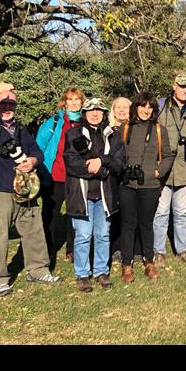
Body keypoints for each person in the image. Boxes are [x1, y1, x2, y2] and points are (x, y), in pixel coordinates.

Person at [0, 82, 60, 296]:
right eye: (3, 103)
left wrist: (33, 161)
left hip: (25, 188)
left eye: (12, 104)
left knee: (34, 230)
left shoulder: (20, 129)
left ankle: (38, 270)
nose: (8, 107)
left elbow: (37, 151)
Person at [63, 98, 126, 292]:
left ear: (104, 113)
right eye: (91, 110)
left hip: (105, 195)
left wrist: (102, 161)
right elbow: (71, 163)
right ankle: (82, 274)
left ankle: (101, 271)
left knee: (103, 234)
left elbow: (119, 162)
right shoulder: (73, 134)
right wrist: (99, 170)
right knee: (82, 235)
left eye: (99, 110)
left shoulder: (113, 135)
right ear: (84, 113)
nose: (95, 113)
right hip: (81, 194)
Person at [119, 93, 174, 282]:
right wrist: (123, 169)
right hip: (127, 184)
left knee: (146, 224)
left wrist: (157, 172)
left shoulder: (159, 130)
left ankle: (149, 261)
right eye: (143, 106)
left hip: (149, 184)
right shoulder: (125, 128)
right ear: (135, 107)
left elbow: (168, 155)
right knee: (127, 224)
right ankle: (127, 264)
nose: (146, 110)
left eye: (150, 107)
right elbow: (117, 153)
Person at [153, 71, 186, 268]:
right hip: (162, 169)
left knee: (182, 213)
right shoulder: (160, 106)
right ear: (174, 86)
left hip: (185, 169)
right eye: (182, 86)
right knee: (161, 213)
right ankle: (158, 251)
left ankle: (183, 250)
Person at [36, 86, 86, 264]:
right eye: (70, 99)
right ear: (64, 102)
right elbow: (39, 146)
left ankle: (72, 249)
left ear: (82, 102)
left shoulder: (85, 122)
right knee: (50, 215)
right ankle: (48, 250)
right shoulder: (54, 122)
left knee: (75, 215)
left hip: (77, 177)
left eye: (77, 99)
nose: (73, 103)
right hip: (54, 176)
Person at [107, 96, 131, 263]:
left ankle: (133, 248)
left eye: (125, 107)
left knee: (130, 213)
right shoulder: (107, 129)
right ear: (113, 110)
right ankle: (115, 248)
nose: (122, 110)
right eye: (118, 107)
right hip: (112, 176)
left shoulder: (135, 128)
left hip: (130, 175)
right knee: (114, 213)